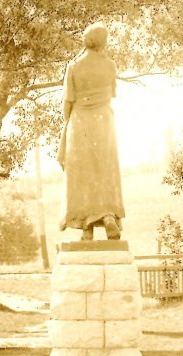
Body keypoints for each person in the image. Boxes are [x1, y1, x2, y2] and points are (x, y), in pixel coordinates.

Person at [57, 22, 124, 241]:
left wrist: (67, 125)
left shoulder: (74, 66)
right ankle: (108, 217)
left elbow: (68, 101)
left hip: (81, 122)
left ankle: (86, 227)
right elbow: (111, 93)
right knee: (104, 172)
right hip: (103, 122)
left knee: (82, 174)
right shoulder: (110, 66)